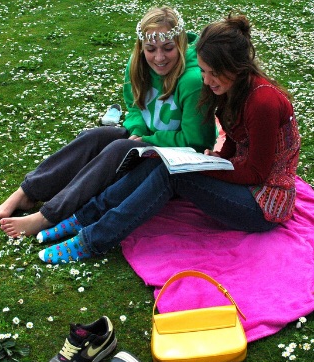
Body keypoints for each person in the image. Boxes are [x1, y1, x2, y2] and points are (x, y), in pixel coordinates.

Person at [37, 13, 301, 264]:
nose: (206, 81)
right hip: (241, 184)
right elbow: (234, 138)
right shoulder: (231, 86)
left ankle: (92, 241)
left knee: (175, 173)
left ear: (235, 67)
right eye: (203, 71)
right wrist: (218, 159)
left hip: (264, 204)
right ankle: (83, 217)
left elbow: (256, 173)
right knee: (162, 161)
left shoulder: (263, 101)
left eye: (212, 73)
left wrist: (208, 170)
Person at [0, 6, 216, 238]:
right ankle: (27, 192)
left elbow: (196, 141)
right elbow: (135, 107)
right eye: (151, 49)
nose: (159, 57)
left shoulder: (192, 81)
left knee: (120, 147)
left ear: (179, 44)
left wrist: (147, 139)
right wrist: (137, 129)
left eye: (168, 48)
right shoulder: (138, 65)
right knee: (96, 136)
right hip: (146, 141)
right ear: (141, 48)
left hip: (175, 161)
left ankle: (48, 215)